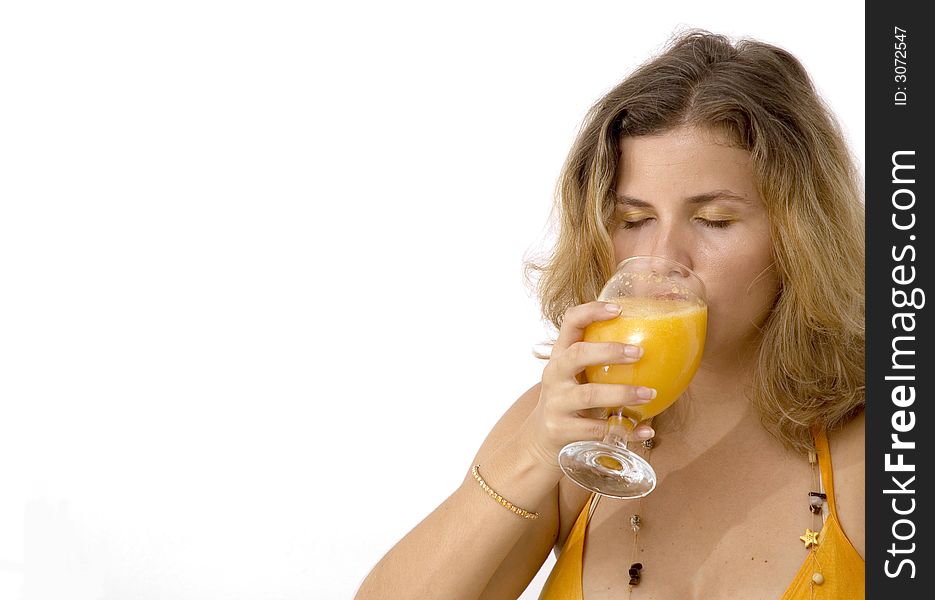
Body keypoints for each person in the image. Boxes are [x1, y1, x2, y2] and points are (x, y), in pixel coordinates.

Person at [354, 30, 864, 599]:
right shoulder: (568, 426)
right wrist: (531, 455)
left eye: (715, 220)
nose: (663, 257)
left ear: (802, 236)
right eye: (634, 219)